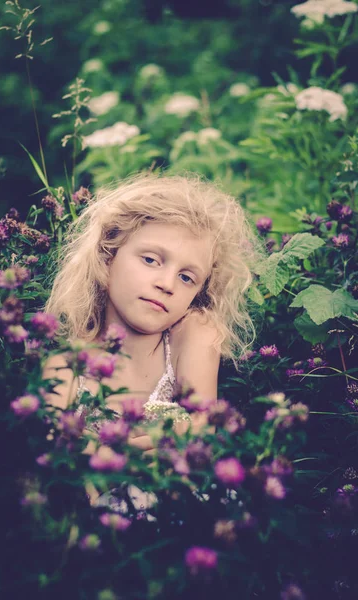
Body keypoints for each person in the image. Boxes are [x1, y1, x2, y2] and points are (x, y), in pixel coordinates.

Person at [42, 172, 263, 506]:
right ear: (107, 257)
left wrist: (185, 434)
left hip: (180, 505)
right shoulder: (66, 367)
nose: (167, 283)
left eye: (187, 277)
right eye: (150, 259)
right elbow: (53, 467)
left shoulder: (194, 334)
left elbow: (201, 429)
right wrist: (110, 457)